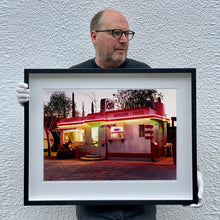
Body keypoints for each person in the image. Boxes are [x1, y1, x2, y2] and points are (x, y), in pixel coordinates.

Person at [17, 9, 204, 220]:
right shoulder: (73, 75)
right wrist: (31, 105)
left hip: (141, 207)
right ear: (94, 36)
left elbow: (185, 120)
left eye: (127, 33)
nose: (123, 40)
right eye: (116, 32)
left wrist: (191, 171)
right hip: (91, 209)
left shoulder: (144, 71)